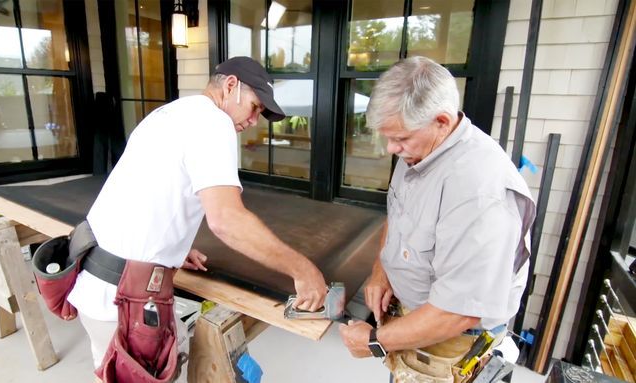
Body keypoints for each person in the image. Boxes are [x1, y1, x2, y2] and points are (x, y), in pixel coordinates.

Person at [67, 56, 328, 381]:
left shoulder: (170, 113)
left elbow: (143, 191)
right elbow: (226, 220)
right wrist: (302, 270)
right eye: (255, 106)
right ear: (230, 85)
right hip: (124, 302)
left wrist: (169, 249)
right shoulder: (213, 123)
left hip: (93, 281)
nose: (254, 120)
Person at [338, 56, 535, 381]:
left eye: (399, 138)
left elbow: (457, 312)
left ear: (442, 121)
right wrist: (380, 271)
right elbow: (399, 215)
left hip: (453, 341)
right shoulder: (421, 148)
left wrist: (374, 341)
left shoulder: (478, 191)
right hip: (413, 320)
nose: (390, 149)